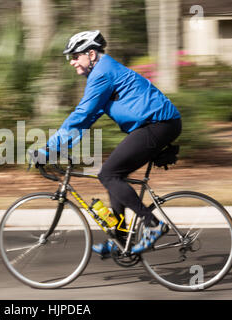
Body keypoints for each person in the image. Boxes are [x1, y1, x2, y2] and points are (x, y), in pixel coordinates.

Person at [34, 30, 181, 255]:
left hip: (157, 124)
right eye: (70, 58)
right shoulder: (104, 72)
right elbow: (88, 118)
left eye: (75, 56)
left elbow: (82, 114)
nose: (72, 62)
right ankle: (121, 240)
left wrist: (50, 148)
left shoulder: (102, 73)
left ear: (91, 54)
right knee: (113, 175)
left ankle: (152, 225)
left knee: (108, 174)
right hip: (156, 124)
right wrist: (60, 147)